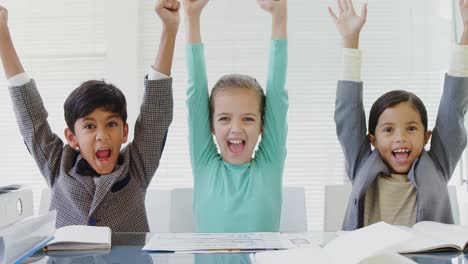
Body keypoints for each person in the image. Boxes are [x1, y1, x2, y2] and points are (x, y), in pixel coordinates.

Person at [0, 0, 179, 232]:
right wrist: (3, 34)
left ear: (124, 132)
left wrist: (169, 29)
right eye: (89, 126)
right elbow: (30, 118)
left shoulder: (136, 167)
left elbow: (155, 114)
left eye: (112, 124)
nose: (102, 136)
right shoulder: (58, 165)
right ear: (72, 137)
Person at [329, 0, 468, 230]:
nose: (400, 137)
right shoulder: (361, 164)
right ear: (371, 139)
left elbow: (453, 109)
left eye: (411, 128)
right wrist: (349, 41)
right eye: (388, 130)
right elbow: (347, 112)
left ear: (427, 137)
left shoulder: (437, 166)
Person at [182, 0, 288, 232]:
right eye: (224, 118)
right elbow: (195, 93)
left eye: (248, 118)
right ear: (210, 124)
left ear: (263, 124)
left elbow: (277, 94)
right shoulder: (205, 164)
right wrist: (191, 17)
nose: (236, 128)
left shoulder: (270, 165)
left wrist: (279, 17)